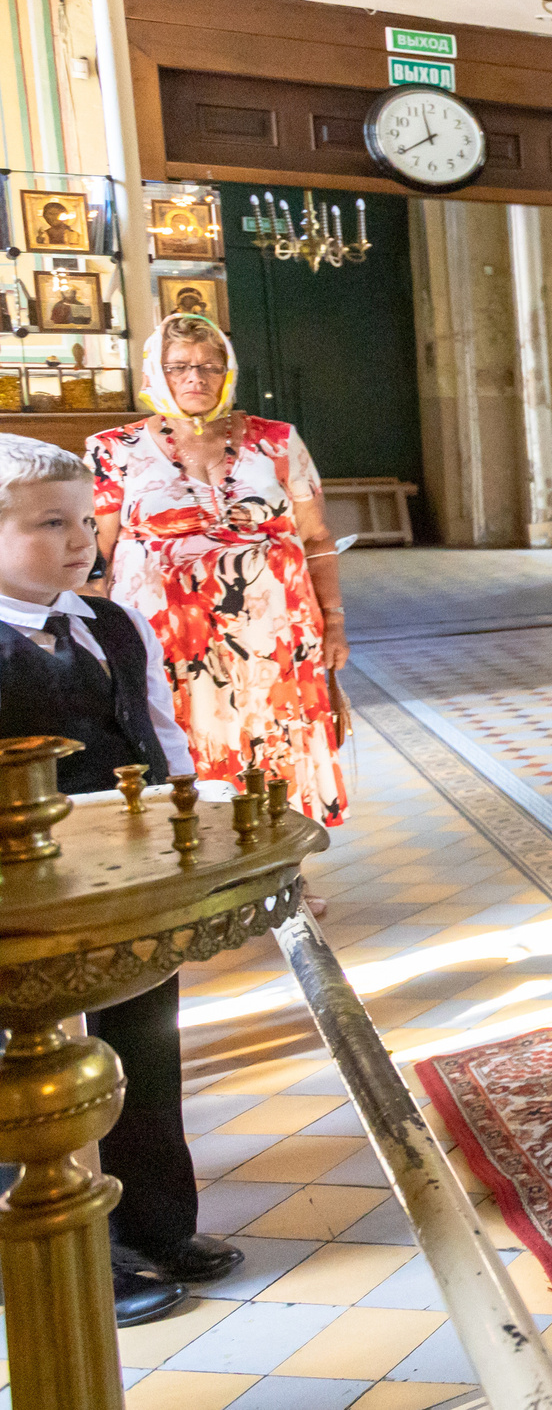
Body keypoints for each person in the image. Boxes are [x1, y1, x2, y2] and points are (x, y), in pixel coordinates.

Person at [0, 435, 243, 1326]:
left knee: (147, 1040)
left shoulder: (113, 623)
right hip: (17, 899)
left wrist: (192, 824)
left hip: (127, 881)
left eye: (85, 519)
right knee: (20, 1065)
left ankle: (157, 1220)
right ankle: (53, 1247)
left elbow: (160, 736)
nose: (78, 540)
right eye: (47, 524)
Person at [89, 316, 348, 824]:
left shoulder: (277, 440)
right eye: (180, 366)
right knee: (186, 741)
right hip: (167, 635)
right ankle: (202, 867)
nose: (196, 378)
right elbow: (95, 552)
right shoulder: (113, 449)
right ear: (154, 372)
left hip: (273, 634)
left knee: (276, 738)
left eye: (211, 366)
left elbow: (316, 537)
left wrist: (334, 621)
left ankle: (283, 867)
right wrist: (94, 635)